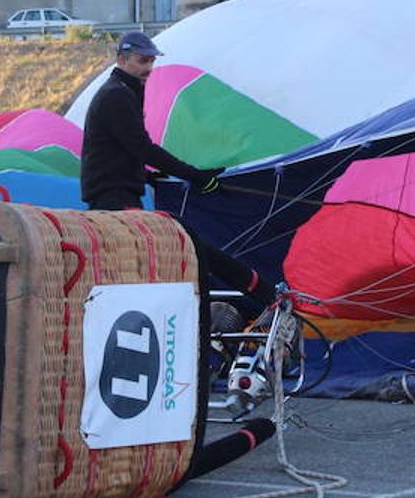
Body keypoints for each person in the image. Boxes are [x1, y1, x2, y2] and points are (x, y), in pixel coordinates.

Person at [81, 31, 274, 308]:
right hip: (114, 200)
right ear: (123, 60)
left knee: (182, 245)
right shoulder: (116, 96)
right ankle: (262, 293)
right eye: (142, 60)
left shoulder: (124, 91)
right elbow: (142, 148)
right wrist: (195, 175)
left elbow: (114, 150)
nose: (149, 67)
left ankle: (258, 291)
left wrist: (145, 175)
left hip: (118, 194)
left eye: (151, 61)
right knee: (186, 243)